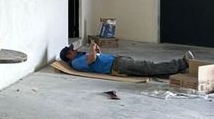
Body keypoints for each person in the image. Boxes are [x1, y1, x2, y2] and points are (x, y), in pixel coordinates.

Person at [58, 42, 193, 77]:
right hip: (116, 65)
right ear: (69, 55)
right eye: (72, 50)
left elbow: (95, 58)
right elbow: (92, 59)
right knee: (148, 66)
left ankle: (179, 71)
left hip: (116, 61)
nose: (75, 50)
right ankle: (181, 63)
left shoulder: (79, 57)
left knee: (147, 70)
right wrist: (92, 48)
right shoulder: (75, 62)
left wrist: (97, 51)